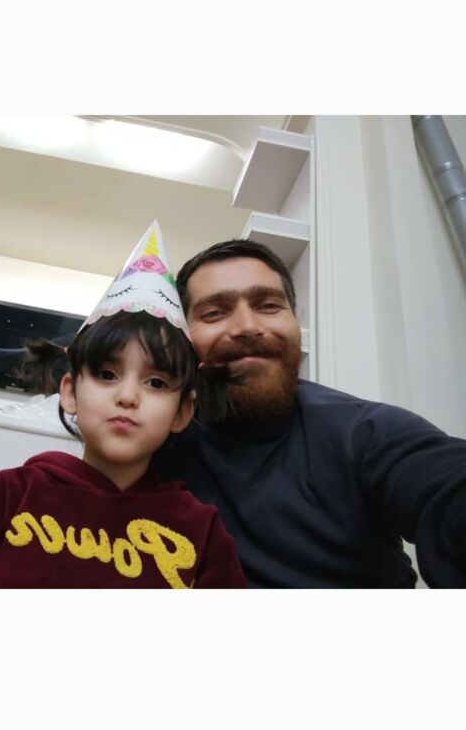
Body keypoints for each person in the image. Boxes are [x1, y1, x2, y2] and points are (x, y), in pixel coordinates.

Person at [0, 224, 246, 589]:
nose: (128, 396)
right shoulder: (13, 492)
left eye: (156, 383)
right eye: (106, 374)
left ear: (182, 412)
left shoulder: (201, 529)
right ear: (69, 392)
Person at [152, 238, 466, 589]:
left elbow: (446, 488)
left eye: (269, 306)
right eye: (214, 313)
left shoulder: (365, 433)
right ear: (181, 336)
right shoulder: (152, 439)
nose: (247, 326)